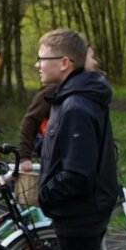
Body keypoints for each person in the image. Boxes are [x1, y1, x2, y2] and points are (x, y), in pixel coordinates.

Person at [35, 28, 118, 250]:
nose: (39, 65)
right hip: (84, 209)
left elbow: (78, 174)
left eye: (43, 59)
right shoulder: (69, 99)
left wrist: (45, 194)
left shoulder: (76, 106)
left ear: (65, 62)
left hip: (80, 214)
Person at [18, 44, 100, 172]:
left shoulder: (89, 90)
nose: (95, 62)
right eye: (91, 57)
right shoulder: (53, 89)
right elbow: (30, 121)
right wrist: (24, 156)